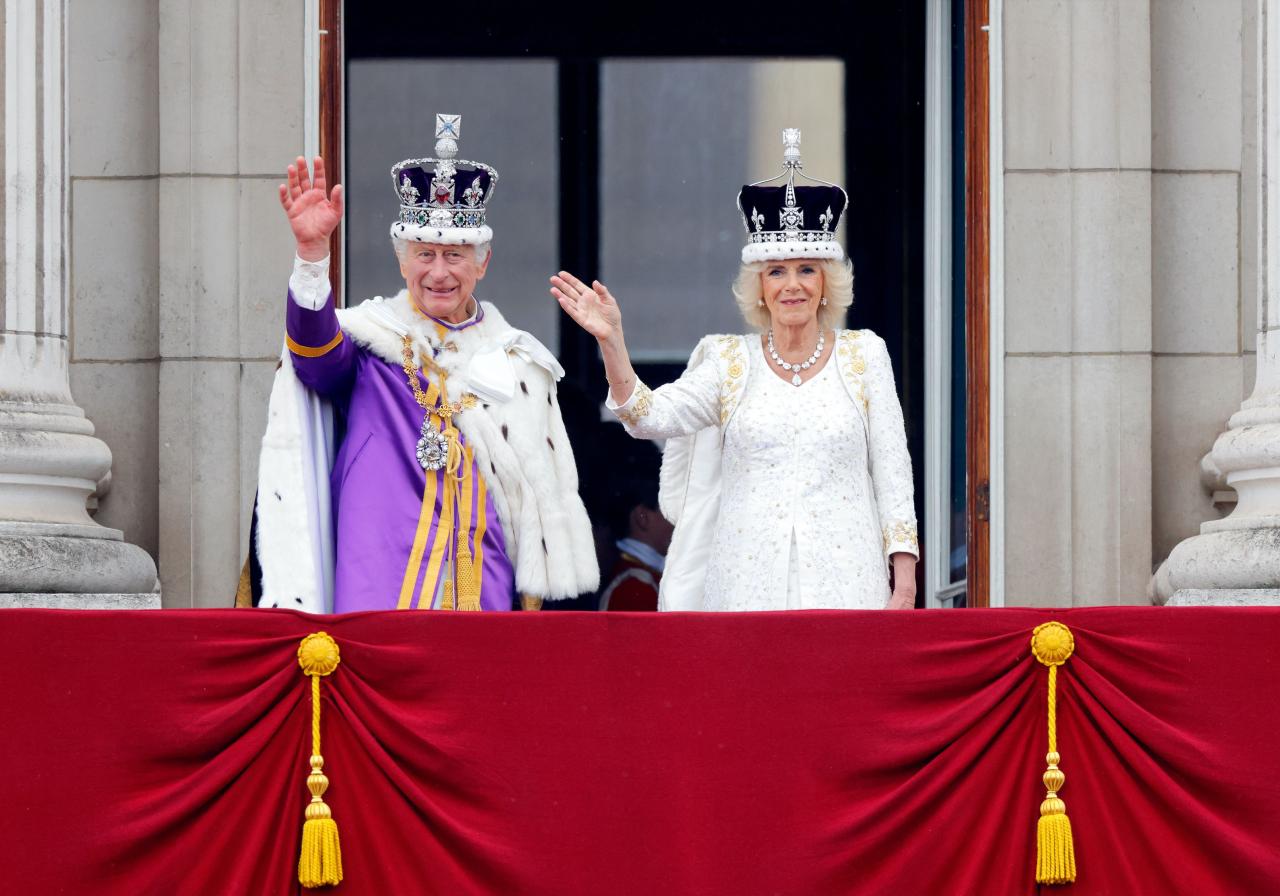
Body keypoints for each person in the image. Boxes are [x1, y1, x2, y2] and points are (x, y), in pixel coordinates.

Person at [552, 128, 918, 611]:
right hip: (746, 588)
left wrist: (905, 583)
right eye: (776, 272)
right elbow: (648, 417)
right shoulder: (728, 361)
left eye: (807, 269)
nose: (793, 285)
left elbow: (893, 474)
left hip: (848, 582)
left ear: (827, 282)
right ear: (759, 286)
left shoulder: (865, 355)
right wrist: (612, 342)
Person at [251, 114, 597, 613]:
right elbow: (315, 357)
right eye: (425, 254)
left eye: (455, 255)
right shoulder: (372, 343)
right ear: (401, 259)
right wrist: (311, 256)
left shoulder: (518, 361)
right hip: (378, 586)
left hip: (486, 588)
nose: (439, 272)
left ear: (483, 262)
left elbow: (539, 503)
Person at [599, 439, 672, 611]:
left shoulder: (642, 579)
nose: (677, 520)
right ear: (643, 517)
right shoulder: (634, 588)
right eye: (670, 510)